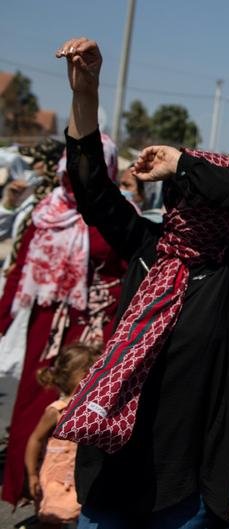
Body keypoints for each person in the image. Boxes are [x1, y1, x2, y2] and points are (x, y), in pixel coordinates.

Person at [50, 37, 229, 527]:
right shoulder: (149, 251)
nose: (185, 205)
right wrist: (86, 94)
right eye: (179, 193)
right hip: (114, 467)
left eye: (196, 194)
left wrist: (184, 162)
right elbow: (91, 188)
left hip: (183, 488)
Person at [0, 134, 125, 508]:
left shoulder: (118, 215)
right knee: (35, 411)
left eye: (89, 169)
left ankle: (72, 502)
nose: (79, 177)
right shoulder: (46, 212)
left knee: (79, 414)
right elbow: (20, 272)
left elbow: (129, 275)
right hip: (48, 328)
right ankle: (34, 493)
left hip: (94, 331)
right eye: (73, 168)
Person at [24, 342, 100, 528]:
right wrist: (32, 474)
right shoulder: (57, 410)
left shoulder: (91, 409)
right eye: (88, 377)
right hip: (56, 476)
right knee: (52, 517)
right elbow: (35, 439)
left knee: (78, 515)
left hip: (77, 475)